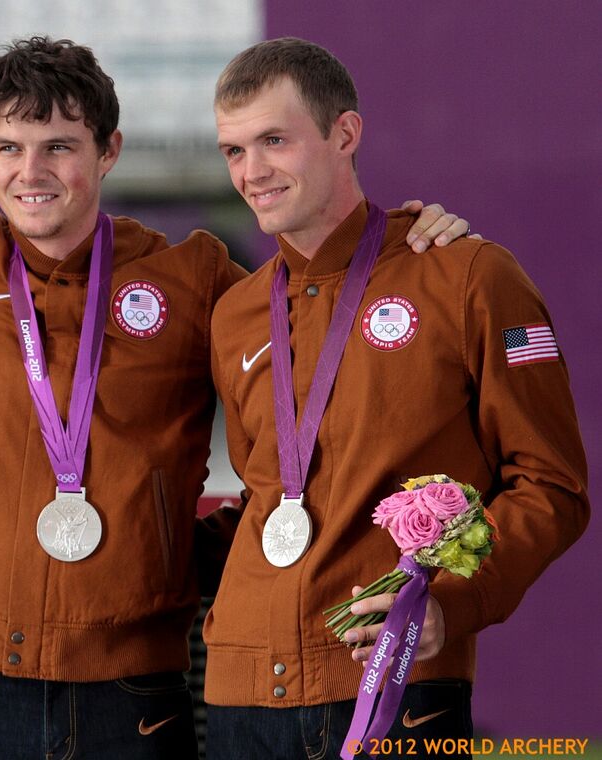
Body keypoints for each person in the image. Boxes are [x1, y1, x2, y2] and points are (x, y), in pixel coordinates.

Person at [0, 36, 470, 759]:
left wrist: (401, 240)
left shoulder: (190, 278)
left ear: (109, 151)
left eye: (59, 146)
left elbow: (315, 318)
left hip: (140, 684)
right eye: (9, 147)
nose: (30, 172)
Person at [204, 37, 589, 759]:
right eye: (233, 151)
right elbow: (271, 491)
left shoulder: (468, 275)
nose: (251, 173)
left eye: (274, 141)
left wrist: (453, 601)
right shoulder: (235, 313)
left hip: (396, 682)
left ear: (345, 134)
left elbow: (551, 484)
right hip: (240, 696)